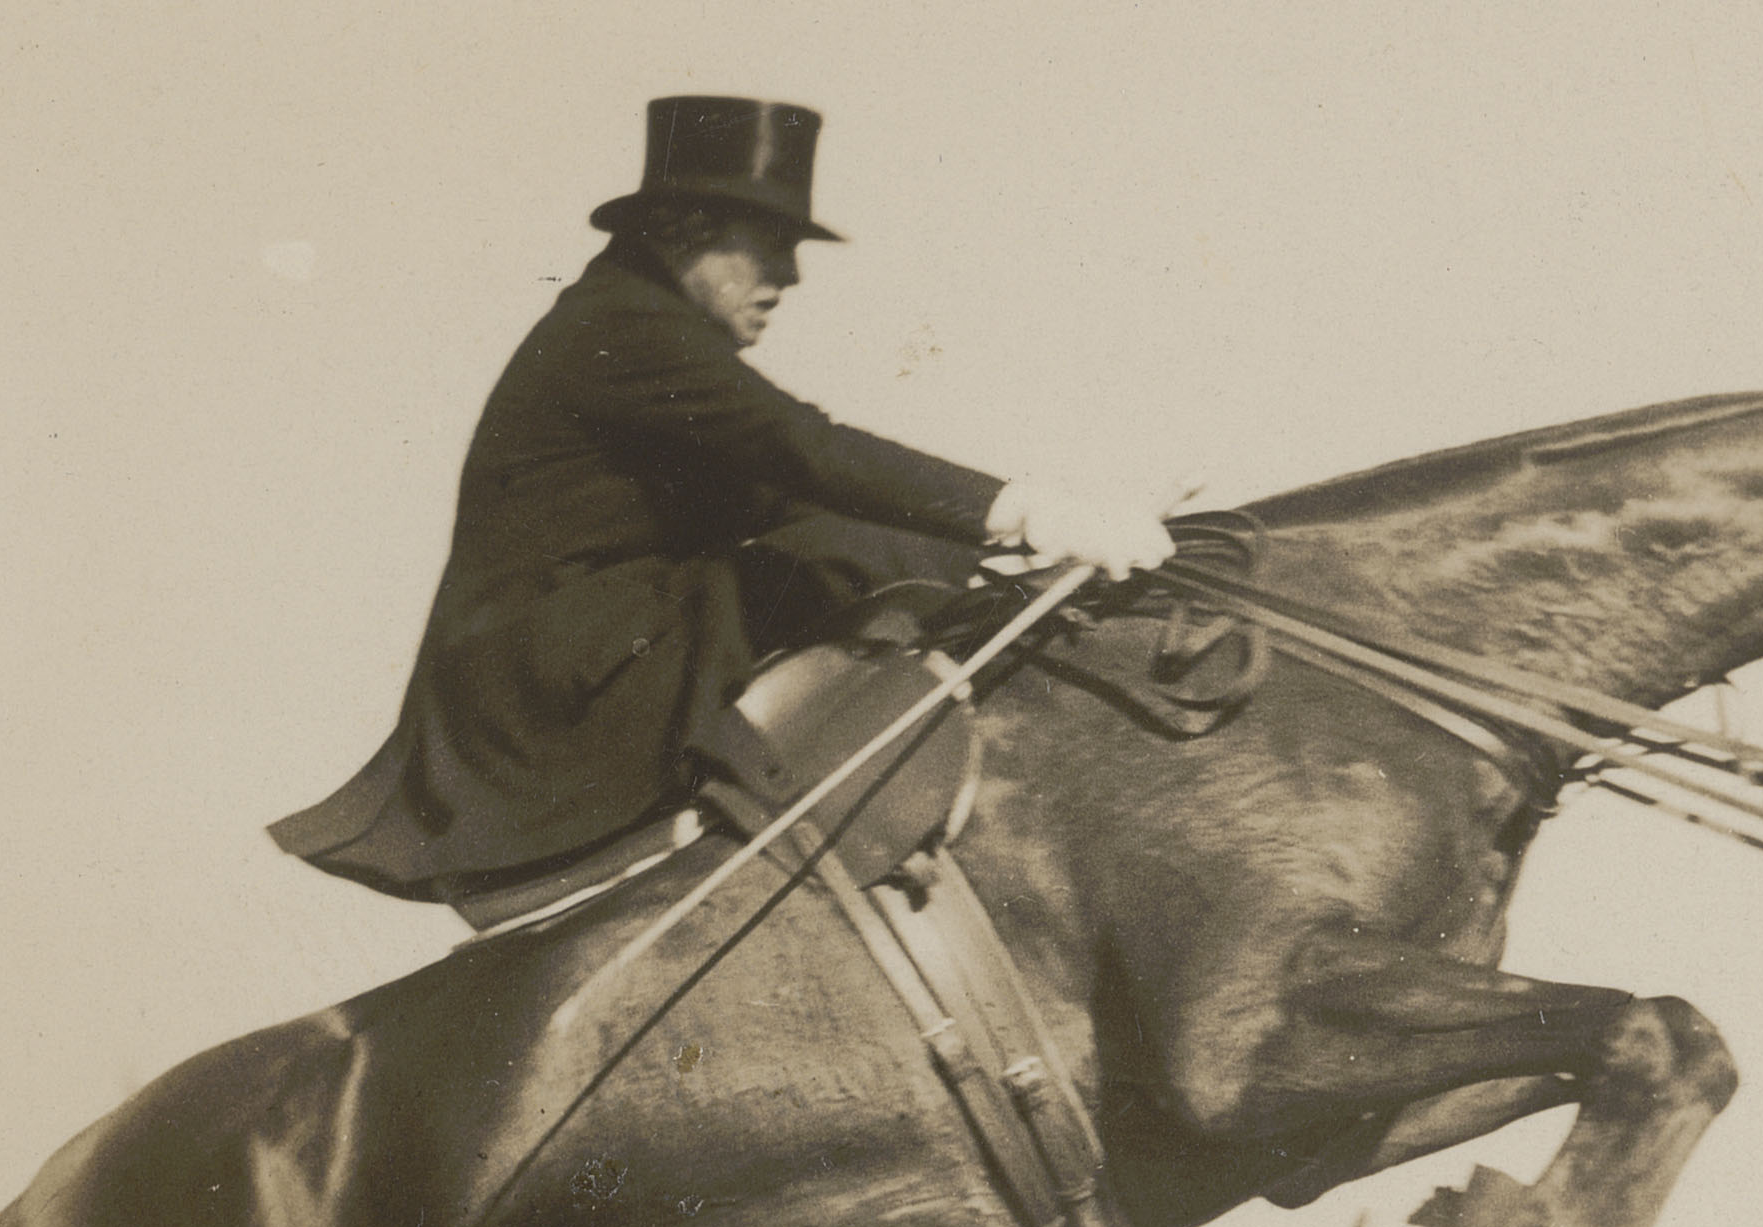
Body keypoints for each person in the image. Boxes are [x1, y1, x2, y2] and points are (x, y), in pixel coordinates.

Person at [273, 97, 1178, 911]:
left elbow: (783, 481)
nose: (789, 276)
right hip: (555, 689)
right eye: (770, 246)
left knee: (879, 542)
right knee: (858, 548)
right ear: (682, 230)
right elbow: (807, 448)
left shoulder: (631, 318)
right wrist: (1039, 514)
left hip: (571, 658)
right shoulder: (621, 327)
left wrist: (990, 543)